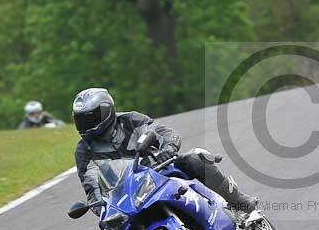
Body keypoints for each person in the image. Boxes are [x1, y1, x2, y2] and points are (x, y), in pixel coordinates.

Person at [72, 87, 258, 218]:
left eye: (90, 118)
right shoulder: (83, 151)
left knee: (194, 159)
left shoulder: (129, 120)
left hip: (159, 169)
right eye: (80, 120)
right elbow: (92, 188)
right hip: (128, 195)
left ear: (106, 111)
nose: (85, 125)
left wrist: (167, 149)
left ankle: (239, 201)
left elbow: (165, 133)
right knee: (122, 225)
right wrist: (101, 208)